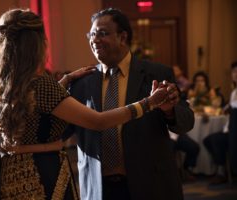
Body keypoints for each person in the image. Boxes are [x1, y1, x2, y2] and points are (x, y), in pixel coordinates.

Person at [0, 9, 169, 200]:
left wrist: (63, 82)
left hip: (10, 177)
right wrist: (147, 103)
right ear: (36, 46)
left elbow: (32, 109)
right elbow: (98, 121)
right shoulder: (42, 84)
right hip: (43, 177)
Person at [63, 8, 194, 200]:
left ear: (122, 37)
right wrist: (56, 91)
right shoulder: (82, 82)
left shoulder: (156, 74)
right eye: (91, 34)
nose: (94, 40)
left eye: (102, 33)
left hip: (149, 185)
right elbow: (62, 131)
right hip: (97, 188)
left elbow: (186, 122)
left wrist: (170, 111)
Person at [203, 61, 237, 184]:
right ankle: (222, 168)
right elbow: (226, 109)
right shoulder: (234, 92)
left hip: (234, 131)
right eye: (234, 72)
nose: (235, 74)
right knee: (209, 140)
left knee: (215, 140)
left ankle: (222, 172)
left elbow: (232, 108)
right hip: (230, 130)